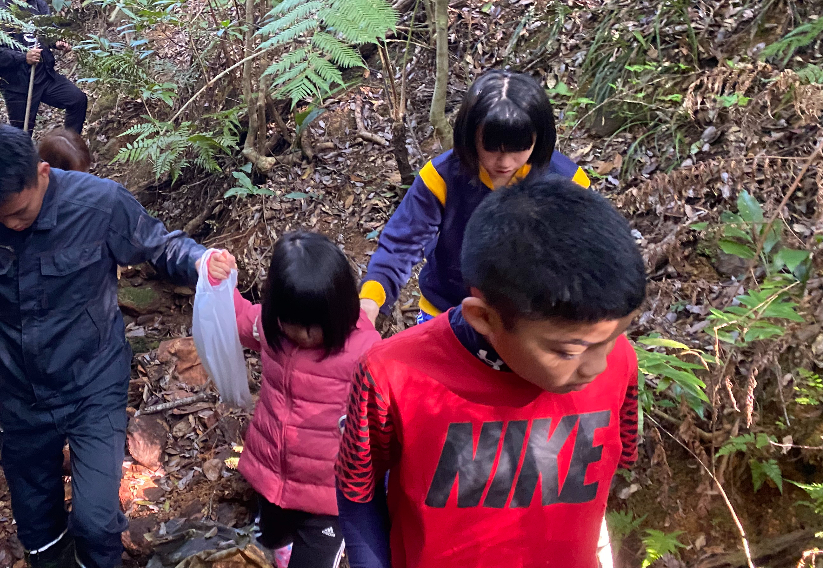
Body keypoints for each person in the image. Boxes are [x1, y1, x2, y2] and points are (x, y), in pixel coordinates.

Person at [0, 125, 233, 568]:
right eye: (0, 220)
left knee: (95, 521)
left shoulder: (100, 203)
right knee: (36, 526)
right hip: (19, 387)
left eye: (19, 213)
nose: (12, 225)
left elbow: (160, 245)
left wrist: (201, 261)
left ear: (42, 172)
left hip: (92, 381)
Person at [335, 177, 644, 568]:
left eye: (616, 336)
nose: (598, 366)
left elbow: (614, 471)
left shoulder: (621, 364)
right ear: (484, 317)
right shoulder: (390, 375)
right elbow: (356, 487)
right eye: (569, 350)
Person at [360, 69, 590, 326]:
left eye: (518, 149)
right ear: (470, 135)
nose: (504, 162)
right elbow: (402, 243)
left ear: (539, 138)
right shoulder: (443, 177)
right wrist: (372, 297)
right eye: (491, 148)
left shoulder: (567, 183)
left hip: (526, 325)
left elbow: (583, 257)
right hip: (446, 313)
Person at [216, 231, 380, 568]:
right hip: (272, 474)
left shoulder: (364, 350)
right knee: (272, 537)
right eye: (295, 325)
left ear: (340, 310)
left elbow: (390, 406)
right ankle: (282, 549)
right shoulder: (270, 327)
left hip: (330, 494)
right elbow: (236, 318)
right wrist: (220, 282)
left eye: (315, 327)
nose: (304, 336)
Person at [0, 0, 88, 134]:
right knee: (22, 134)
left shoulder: (37, 3)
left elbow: (47, 30)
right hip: (18, 86)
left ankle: (68, 151)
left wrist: (56, 42)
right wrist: (24, 57)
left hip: (44, 76)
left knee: (77, 100)